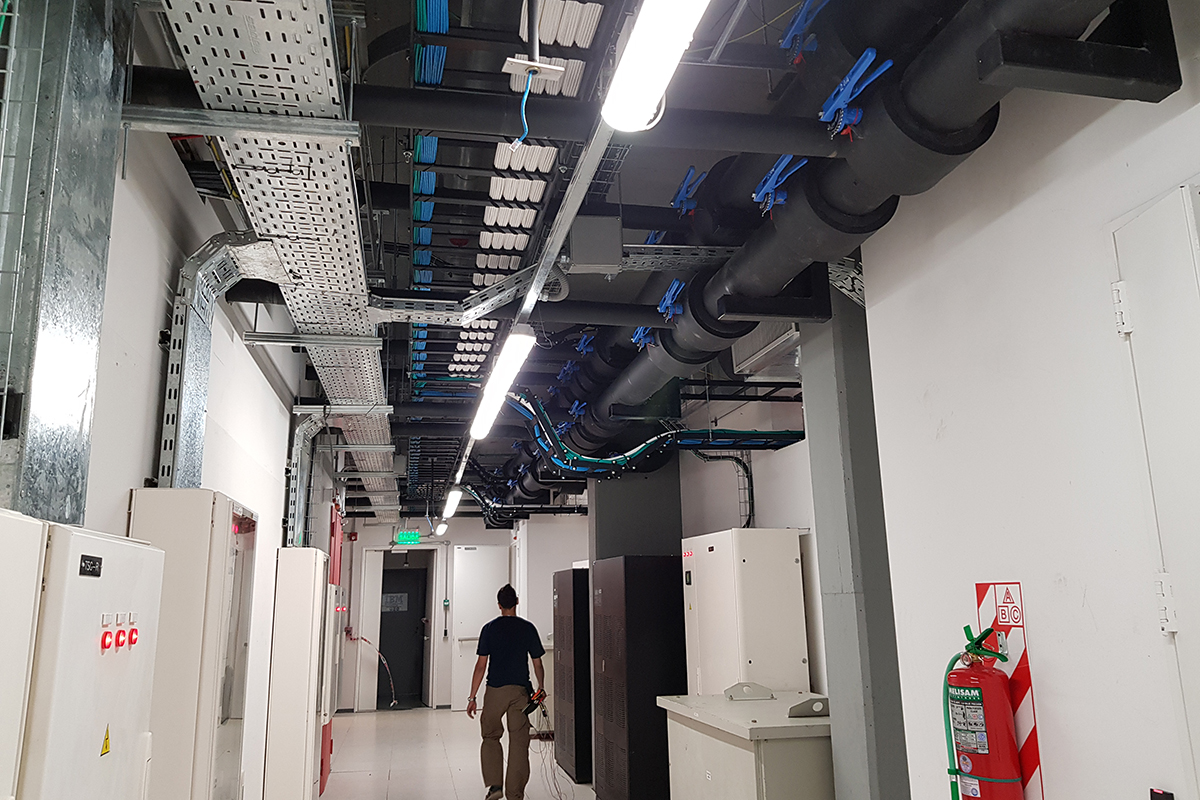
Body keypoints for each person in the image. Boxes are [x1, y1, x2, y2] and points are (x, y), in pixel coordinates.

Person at [466, 584, 546, 800]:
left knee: (490, 736)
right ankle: (515, 793)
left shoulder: (489, 629)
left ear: (499, 605)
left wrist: (472, 697)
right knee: (519, 742)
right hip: (520, 692)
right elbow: (537, 663)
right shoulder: (528, 628)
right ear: (516, 602)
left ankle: (495, 787)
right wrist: (541, 687)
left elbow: (481, 666)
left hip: (495, 691)